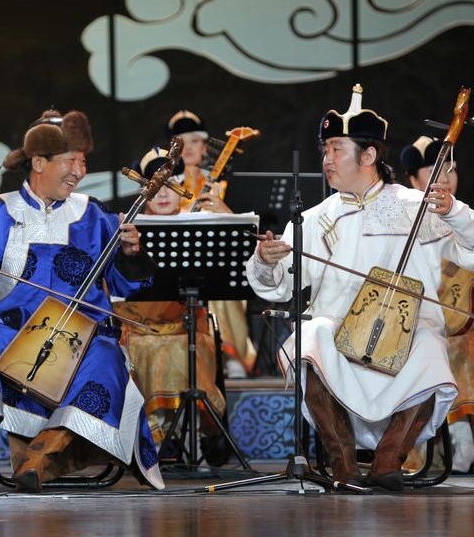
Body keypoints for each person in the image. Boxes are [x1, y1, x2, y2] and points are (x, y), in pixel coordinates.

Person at [246, 84, 474, 492]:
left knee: (429, 343)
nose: (326, 159)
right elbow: (278, 288)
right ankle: (344, 463)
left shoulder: (415, 206)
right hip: (341, 343)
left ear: (368, 156)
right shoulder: (315, 219)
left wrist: (454, 213)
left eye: (336, 149)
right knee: (310, 335)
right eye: (325, 150)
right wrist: (266, 260)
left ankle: (389, 458)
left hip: (404, 339)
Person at [0, 109, 163, 493]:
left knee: (105, 357)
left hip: (81, 335)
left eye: (83, 161)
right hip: (12, 328)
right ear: (39, 163)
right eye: (70, 161)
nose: (79, 171)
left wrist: (131, 253)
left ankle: (42, 455)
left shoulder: (96, 214)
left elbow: (127, 285)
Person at [113, 146, 228, 464]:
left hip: (186, 323)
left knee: (187, 346)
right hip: (137, 327)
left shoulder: (199, 224)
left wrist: (224, 211)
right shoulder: (128, 230)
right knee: (146, 349)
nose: (163, 194)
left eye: (171, 185)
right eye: (155, 187)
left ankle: (192, 432)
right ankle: (158, 437)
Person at [401, 135, 474, 473]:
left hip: (463, 323)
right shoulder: (405, 223)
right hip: (425, 325)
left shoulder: (463, 217)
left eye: (450, 169)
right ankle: (457, 442)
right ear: (414, 180)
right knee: (450, 347)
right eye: (434, 171)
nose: (445, 178)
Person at [166, 110, 256, 377]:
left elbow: (247, 232)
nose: (188, 148)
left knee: (221, 282)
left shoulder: (222, 185)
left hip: (216, 262)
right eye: (181, 142)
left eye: (194, 141)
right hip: (173, 265)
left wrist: (223, 209)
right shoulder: (164, 185)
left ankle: (230, 354)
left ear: (205, 147)